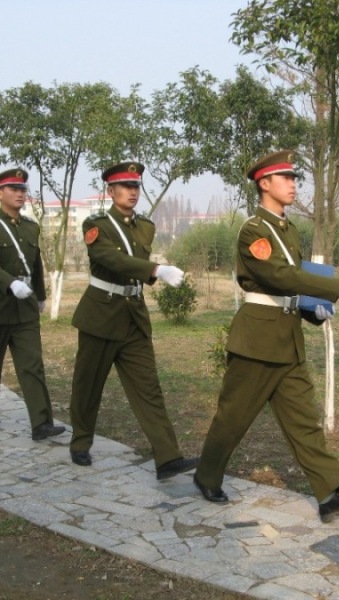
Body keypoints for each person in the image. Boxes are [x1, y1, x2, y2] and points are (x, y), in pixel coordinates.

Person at [192, 150, 339, 523]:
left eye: (294, 178)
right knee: (234, 417)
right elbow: (278, 277)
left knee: (304, 419)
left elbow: (292, 286)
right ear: (264, 183)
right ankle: (206, 476)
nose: (293, 184)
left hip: (286, 340)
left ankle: (330, 492)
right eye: (285, 178)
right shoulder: (254, 230)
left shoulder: (287, 229)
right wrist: (334, 288)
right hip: (257, 339)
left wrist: (313, 309)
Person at [68, 161, 199, 480]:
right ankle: (80, 442)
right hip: (101, 313)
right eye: (125, 186)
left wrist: (151, 271)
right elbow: (109, 258)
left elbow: (133, 263)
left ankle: (167, 457)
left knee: (148, 388)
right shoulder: (96, 224)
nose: (132, 192)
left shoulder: (145, 226)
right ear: (110, 191)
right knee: (89, 384)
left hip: (133, 316)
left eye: (136, 186)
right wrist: (156, 270)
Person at [0, 167, 66, 442]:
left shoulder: (30, 227)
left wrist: (41, 295)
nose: (19, 194)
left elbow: (35, 264)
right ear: (0, 193)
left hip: (24, 308)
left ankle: (41, 423)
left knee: (32, 364)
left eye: (23, 189)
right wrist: (10, 283)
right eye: (13, 189)